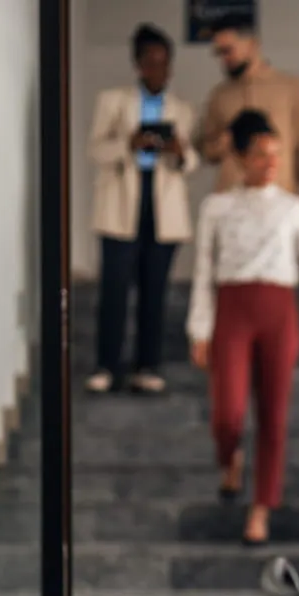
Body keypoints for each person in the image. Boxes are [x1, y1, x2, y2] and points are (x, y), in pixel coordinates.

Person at [186, 110, 299, 545]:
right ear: (241, 157)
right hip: (232, 306)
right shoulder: (217, 207)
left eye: (276, 154)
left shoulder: (293, 207)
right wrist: (199, 329)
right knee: (227, 413)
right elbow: (203, 270)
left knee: (274, 416)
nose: (270, 162)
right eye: (261, 154)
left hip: (279, 310)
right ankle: (229, 457)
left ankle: (261, 510)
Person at [86, 24, 199, 395]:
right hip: (121, 204)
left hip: (163, 206)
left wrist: (181, 154)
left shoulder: (181, 109)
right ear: (137, 64)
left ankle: (147, 365)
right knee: (114, 291)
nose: (158, 71)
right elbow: (95, 151)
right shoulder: (112, 101)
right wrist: (127, 144)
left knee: (155, 290)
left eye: (164, 64)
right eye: (150, 63)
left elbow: (192, 161)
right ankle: (107, 365)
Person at [192, 13, 299, 222]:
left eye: (228, 51)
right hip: (231, 204)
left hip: (280, 198)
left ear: (252, 44)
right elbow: (207, 150)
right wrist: (223, 144)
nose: (224, 60)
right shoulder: (219, 95)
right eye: (219, 54)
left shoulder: (290, 88)